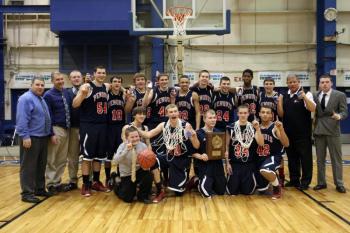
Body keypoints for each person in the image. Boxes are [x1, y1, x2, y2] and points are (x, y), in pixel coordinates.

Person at [139, 104, 199, 195]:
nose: (173, 113)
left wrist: (194, 136)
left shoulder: (186, 126)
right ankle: (160, 189)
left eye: (175, 111)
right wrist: (135, 128)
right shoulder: (163, 125)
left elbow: (196, 146)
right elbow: (148, 135)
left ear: (178, 113)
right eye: (171, 112)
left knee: (178, 193)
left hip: (181, 159)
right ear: (167, 114)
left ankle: (189, 182)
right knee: (151, 160)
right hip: (168, 156)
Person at [72, 65, 110, 196]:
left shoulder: (106, 86)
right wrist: (82, 94)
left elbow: (116, 86)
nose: (101, 74)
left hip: (102, 125)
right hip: (89, 126)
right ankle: (86, 184)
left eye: (103, 72)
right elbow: (75, 104)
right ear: (94, 74)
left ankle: (96, 181)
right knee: (87, 157)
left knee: (99, 157)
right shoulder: (86, 87)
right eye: (99, 72)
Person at [16, 77, 54, 203]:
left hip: (42, 137)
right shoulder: (25, 98)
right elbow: (22, 119)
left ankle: (39, 188)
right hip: (31, 137)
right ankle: (27, 193)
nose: (40, 87)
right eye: (37, 84)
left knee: (40, 165)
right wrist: (25, 136)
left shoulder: (41, 99)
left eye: (42, 85)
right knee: (28, 166)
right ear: (31, 85)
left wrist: (50, 134)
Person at [277, 74, 316, 190]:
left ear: (298, 82)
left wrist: (304, 97)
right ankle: (294, 180)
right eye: (290, 82)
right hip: (289, 134)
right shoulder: (285, 96)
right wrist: (279, 101)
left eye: (294, 82)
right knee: (292, 158)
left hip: (303, 134)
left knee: (305, 159)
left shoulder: (306, 93)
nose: (292, 84)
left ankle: (305, 182)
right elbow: (281, 114)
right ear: (287, 83)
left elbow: (313, 109)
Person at [121, 107, 165, 203]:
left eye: (144, 114)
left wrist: (149, 154)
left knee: (153, 162)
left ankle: (159, 189)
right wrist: (139, 157)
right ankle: (117, 182)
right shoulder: (127, 127)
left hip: (142, 156)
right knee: (128, 198)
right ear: (134, 115)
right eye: (139, 114)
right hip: (130, 158)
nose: (142, 116)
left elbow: (148, 143)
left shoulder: (145, 128)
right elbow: (125, 145)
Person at [313, 74, 348, 193]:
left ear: (331, 83)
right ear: (319, 84)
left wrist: (339, 116)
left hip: (333, 131)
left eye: (327, 82)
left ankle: (339, 183)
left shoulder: (340, 95)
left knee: (336, 159)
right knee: (320, 159)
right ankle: (321, 182)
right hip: (319, 131)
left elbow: (344, 112)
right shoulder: (315, 95)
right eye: (322, 82)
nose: (324, 84)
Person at [43, 72, 72, 194]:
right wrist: (51, 133)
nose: (60, 81)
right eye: (57, 80)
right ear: (52, 81)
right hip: (56, 129)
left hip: (67, 129)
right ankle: (50, 184)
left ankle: (57, 182)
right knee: (52, 158)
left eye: (61, 79)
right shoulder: (48, 95)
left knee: (61, 158)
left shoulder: (66, 92)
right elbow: (47, 116)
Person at [226, 105, 264, 195]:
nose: (243, 115)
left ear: (248, 114)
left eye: (245, 113)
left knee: (248, 192)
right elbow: (226, 146)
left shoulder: (253, 127)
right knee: (232, 192)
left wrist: (258, 128)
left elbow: (261, 143)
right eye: (241, 113)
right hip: (235, 164)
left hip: (249, 164)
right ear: (237, 114)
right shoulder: (230, 127)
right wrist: (227, 163)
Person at [255, 106, 289, 199]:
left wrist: (281, 129)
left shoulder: (275, 127)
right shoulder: (256, 127)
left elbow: (286, 144)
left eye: (267, 112)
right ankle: (276, 176)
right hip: (260, 158)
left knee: (265, 170)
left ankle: (276, 187)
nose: (265, 114)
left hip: (273, 156)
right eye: (263, 112)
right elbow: (260, 143)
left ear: (271, 115)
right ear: (259, 114)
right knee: (261, 189)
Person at [113, 126, 153, 204]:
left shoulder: (143, 146)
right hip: (127, 174)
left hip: (138, 171)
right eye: (132, 137)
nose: (135, 139)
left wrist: (147, 164)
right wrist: (125, 151)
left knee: (149, 175)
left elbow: (148, 161)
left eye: (136, 136)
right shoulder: (122, 146)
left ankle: (142, 196)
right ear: (127, 138)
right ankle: (117, 183)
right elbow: (115, 161)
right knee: (128, 199)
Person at [192, 109, 226, 198]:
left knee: (221, 192)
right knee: (206, 194)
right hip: (205, 165)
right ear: (204, 119)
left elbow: (223, 149)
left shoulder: (219, 132)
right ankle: (197, 181)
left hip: (218, 165)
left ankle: (207, 181)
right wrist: (201, 156)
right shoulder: (198, 133)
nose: (213, 120)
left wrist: (224, 154)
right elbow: (192, 153)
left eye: (214, 118)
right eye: (210, 118)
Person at [258, 78, 285, 186]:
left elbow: (281, 113)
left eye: (270, 84)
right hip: (263, 125)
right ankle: (272, 172)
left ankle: (281, 175)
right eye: (266, 84)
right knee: (267, 148)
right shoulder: (260, 95)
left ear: (274, 85)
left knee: (279, 151)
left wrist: (278, 103)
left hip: (275, 125)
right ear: (264, 85)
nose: (268, 86)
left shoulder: (279, 95)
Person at [105, 76, 126, 190]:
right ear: (111, 83)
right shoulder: (107, 94)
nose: (117, 83)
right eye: (115, 81)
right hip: (109, 127)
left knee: (121, 154)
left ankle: (120, 176)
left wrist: (123, 89)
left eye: (119, 81)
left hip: (121, 127)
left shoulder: (123, 95)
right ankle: (108, 177)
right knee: (108, 155)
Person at [66, 70, 83, 191]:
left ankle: (89, 180)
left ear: (82, 78)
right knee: (72, 156)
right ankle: (73, 180)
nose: (76, 79)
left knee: (89, 155)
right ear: (70, 79)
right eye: (74, 77)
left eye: (78, 77)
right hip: (73, 128)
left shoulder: (88, 90)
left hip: (87, 128)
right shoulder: (66, 93)